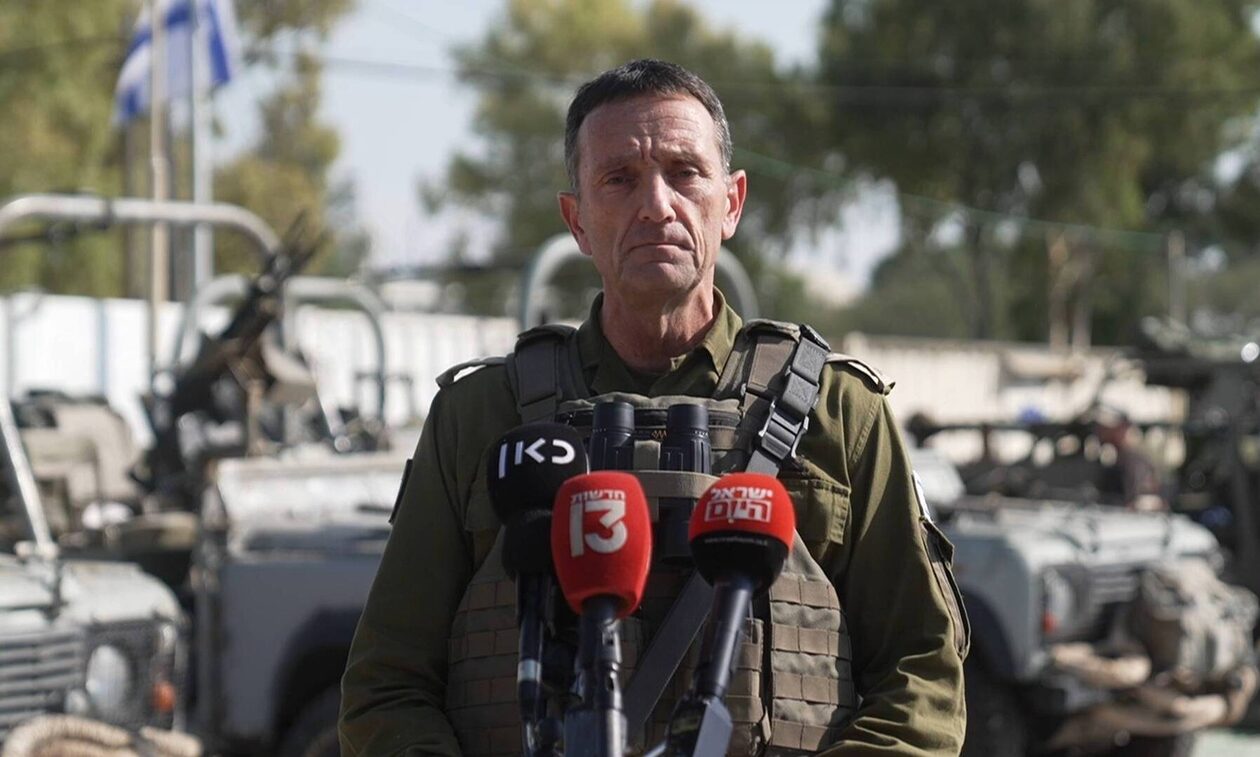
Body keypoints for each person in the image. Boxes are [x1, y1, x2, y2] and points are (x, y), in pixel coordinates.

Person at [340, 59, 968, 756]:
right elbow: (386, 687)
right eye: (619, 179)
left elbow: (922, 679)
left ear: (732, 203)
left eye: (684, 172)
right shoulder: (480, 415)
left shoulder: (837, 413)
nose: (656, 205)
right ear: (577, 221)